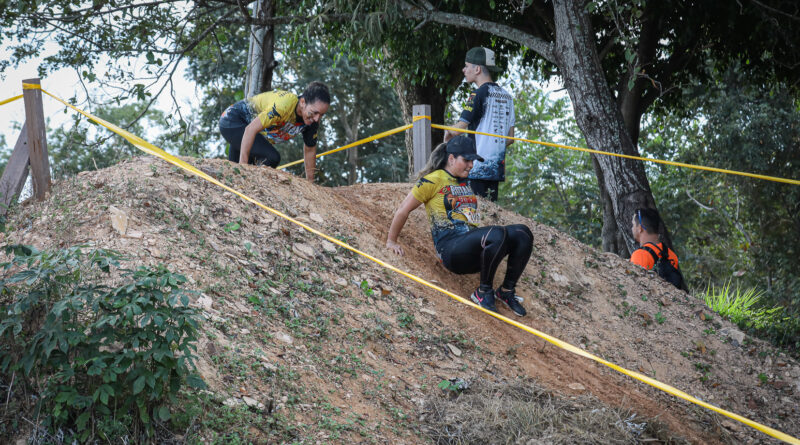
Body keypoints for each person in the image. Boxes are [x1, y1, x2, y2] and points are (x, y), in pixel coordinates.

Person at [386, 136, 533, 316]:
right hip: (451, 250)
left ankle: (506, 292)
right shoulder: (433, 180)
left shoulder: (465, 183)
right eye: (467, 160)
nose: (471, 165)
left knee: (522, 233)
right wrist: (391, 241)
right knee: (496, 233)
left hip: (471, 247)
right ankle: (483, 292)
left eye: (473, 160)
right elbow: (403, 210)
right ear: (451, 158)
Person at [219, 81, 330, 181]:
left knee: (233, 177)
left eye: (321, 115)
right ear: (302, 102)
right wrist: (243, 166)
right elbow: (250, 129)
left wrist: (310, 184)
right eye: (314, 112)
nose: (316, 118)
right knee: (271, 157)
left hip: (247, 133)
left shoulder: (312, 121)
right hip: (234, 120)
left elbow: (310, 149)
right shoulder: (283, 106)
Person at [444, 47, 515, 202]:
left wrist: (447, 134)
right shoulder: (508, 97)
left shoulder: (478, 94)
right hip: (496, 169)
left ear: (477, 69)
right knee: (489, 213)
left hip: (474, 167)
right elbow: (510, 139)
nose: (463, 70)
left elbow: (459, 129)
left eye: (467, 66)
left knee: (472, 213)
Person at [630, 208, 687, 290]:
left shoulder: (640, 255)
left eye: (633, 225)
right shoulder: (671, 254)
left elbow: (636, 289)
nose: (632, 228)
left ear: (640, 228)